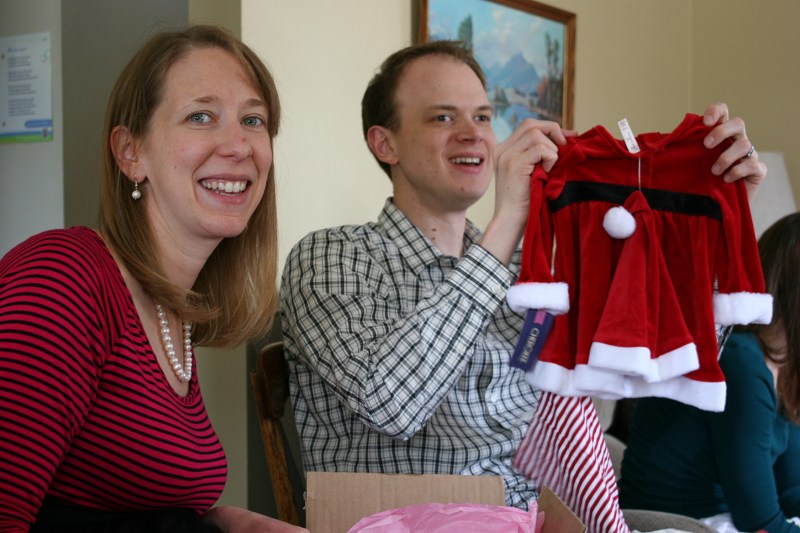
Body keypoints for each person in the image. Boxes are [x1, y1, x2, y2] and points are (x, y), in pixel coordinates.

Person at [279, 39, 767, 510]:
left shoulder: (528, 270)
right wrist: (509, 220)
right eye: (443, 116)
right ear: (384, 143)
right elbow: (389, 404)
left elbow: (661, 356)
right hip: (398, 523)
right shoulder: (332, 256)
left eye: (484, 117)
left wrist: (718, 211)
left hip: (533, 517)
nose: (473, 134)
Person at [0, 25, 305, 533]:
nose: (239, 144)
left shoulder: (170, 313)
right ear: (130, 153)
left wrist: (230, 523)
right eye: (200, 116)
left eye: (253, 120)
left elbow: (113, 504)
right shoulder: (65, 279)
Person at [620, 212, 800, 533]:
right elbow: (760, 521)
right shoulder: (739, 362)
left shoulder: (785, 368)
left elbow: (790, 491)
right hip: (676, 523)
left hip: (725, 517)